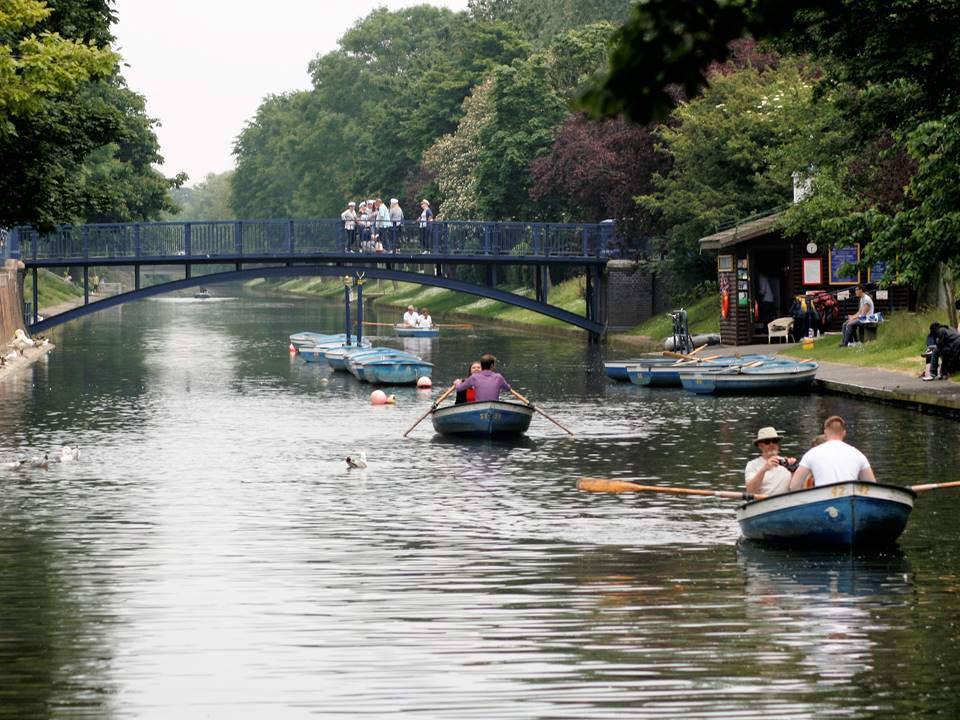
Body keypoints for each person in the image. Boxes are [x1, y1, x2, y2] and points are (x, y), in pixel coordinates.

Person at [788, 415, 876, 490]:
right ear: (844, 433)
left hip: (822, 500)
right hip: (848, 495)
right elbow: (872, 486)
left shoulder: (811, 453)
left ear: (825, 433)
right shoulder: (859, 454)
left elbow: (794, 486)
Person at [744, 427, 795, 496]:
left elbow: (797, 489)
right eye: (767, 442)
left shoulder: (787, 462)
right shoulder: (752, 465)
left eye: (774, 441)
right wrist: (764, 469)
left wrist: (794, 471)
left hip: (787, 502)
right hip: (763, 503)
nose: (772, 444)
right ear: (760, 445)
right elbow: (750, 491)